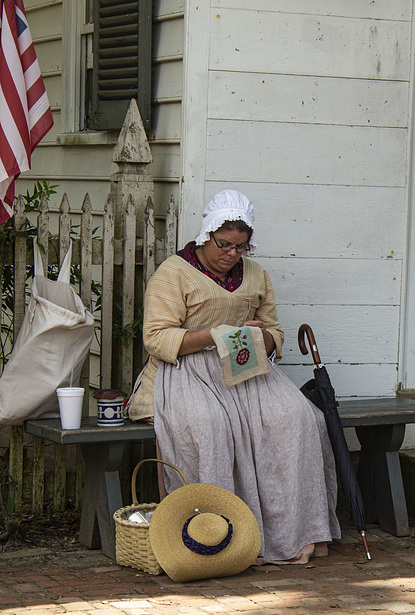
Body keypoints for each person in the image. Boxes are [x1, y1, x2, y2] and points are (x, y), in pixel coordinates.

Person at [128, 189, 341, 564]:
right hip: (188, 372)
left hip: (247, 368)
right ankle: (217, 542)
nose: (231, 254)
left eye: (240, 248)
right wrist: (212, 335)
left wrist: (263, 334)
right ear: (206, 234)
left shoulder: (257, 275)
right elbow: (157, 339)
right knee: (209, 427)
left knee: (300, 420)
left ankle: (295, 533)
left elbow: (276, 335)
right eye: (224, 245)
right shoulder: (174, 272)